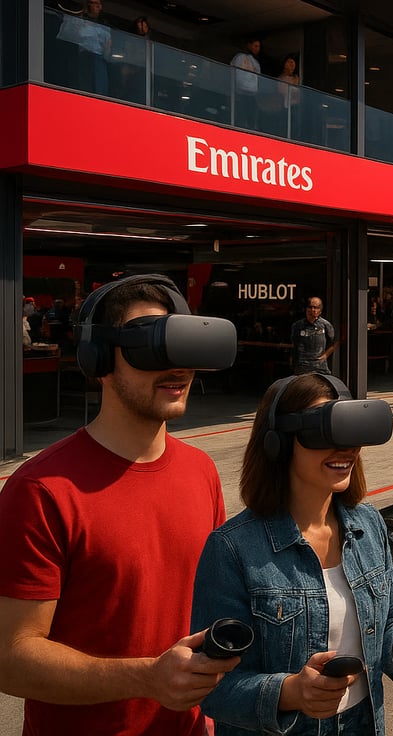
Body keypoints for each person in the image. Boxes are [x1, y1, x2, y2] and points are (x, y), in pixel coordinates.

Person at [0, 274, 238, 734]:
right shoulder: (42, 491)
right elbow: (10, 658)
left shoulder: (201, 471)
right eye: (152, 346)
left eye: (183, 346)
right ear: (99, 359)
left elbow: (206, 606)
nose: (177, 367)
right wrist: (147, 678)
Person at [191, 373, 393, 734]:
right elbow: (212, 687)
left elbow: (388, 623)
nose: (345, 450)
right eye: (324, 432)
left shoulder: (368, 524)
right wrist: (290, 692)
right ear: (278, 442)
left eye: (352, 432)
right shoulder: (233, 549)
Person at [57, 0, 111, 94]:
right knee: (85, 87)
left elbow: (108, 44)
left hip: (99, 58)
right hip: (83, 56)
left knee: (100, 89)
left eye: (97, 3)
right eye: (92, 3)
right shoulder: (79, 20)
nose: (95, 6)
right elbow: (68, 34)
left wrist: (106, 55)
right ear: (87, 5)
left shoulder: (104, 23)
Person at [291, 296, 337, 374]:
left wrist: (326, 355)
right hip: (302, 367)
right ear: (306, 309)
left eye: (316, 307)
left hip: (320, 368)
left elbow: (335, 342)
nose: (312, 310)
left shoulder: (325, 325)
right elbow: (294, 344)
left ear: (320, 311)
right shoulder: (297, 326)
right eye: (310, 307)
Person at [231, 37, 263, 129]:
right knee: (241, 118)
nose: (257, 49)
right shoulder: (240, 57)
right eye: (255, 46)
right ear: (249, 45)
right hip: (240, 94)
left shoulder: (255, 62)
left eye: (259, 46)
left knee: (251, 119)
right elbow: (239, 77)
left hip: (252, 95)